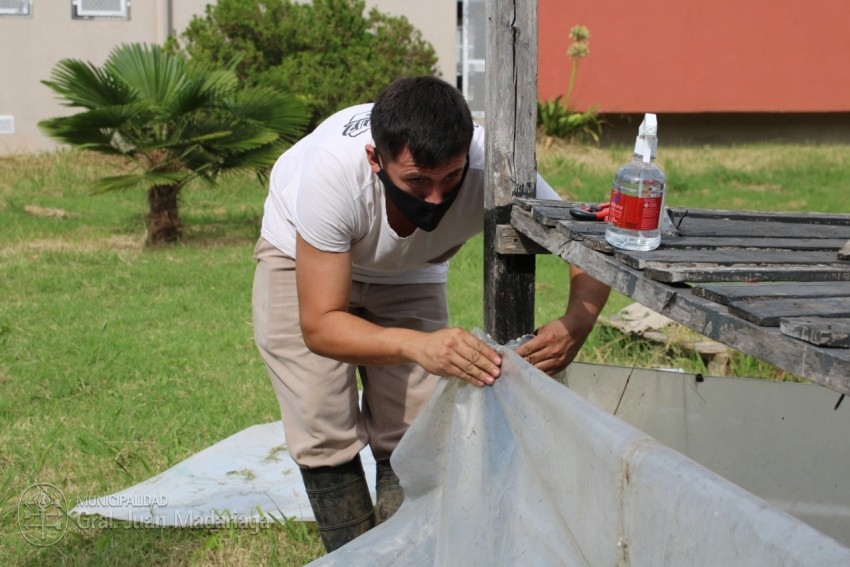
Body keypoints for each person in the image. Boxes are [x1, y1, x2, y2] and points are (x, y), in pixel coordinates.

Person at [252, 76, 610, 552]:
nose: (436, 198)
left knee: (413, 428)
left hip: (412, 269)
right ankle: (353, 558)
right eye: (418, 181)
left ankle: (405, 557)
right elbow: (320, 325)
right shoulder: (331, 177)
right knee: (321, 422)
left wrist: (577, 322)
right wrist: (419, 345)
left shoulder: (493, 166)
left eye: (450, 178)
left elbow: (589, 244)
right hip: (303, 254)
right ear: (376, 161)